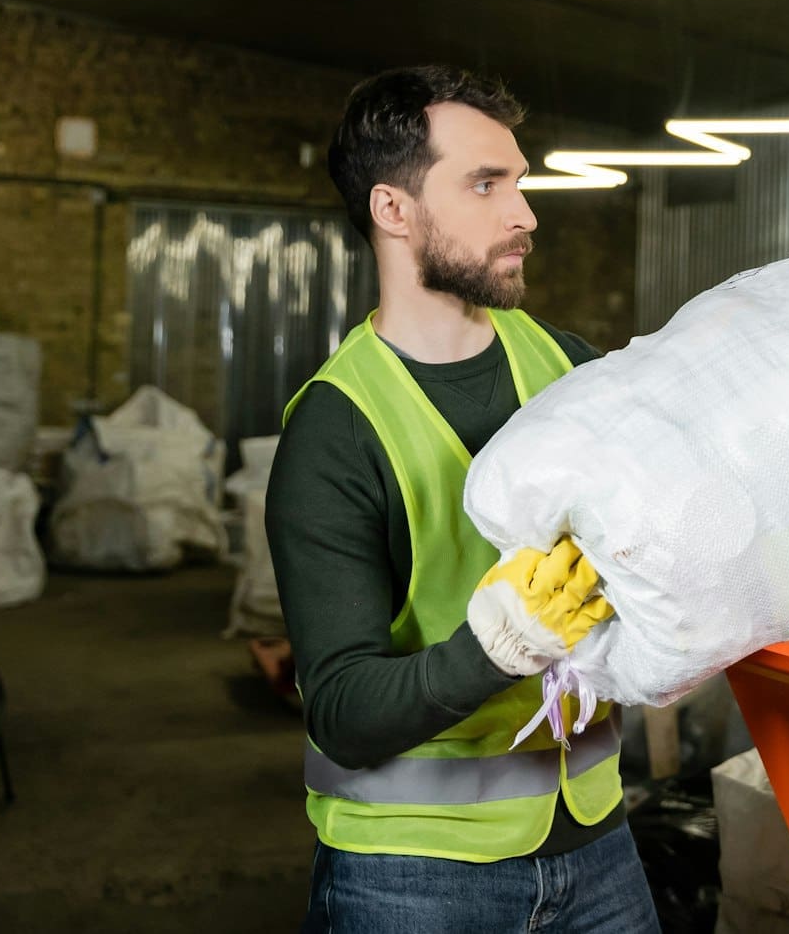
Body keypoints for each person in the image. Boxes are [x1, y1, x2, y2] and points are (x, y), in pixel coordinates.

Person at [267, 65, 657, 932]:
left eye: (518, 181)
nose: (526, 213)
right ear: (393, 210)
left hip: (595, 839)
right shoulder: (335, 429)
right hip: (412, 875)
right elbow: (342, 712)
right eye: (487, 184)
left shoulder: (567, 366)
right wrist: (496, 647)